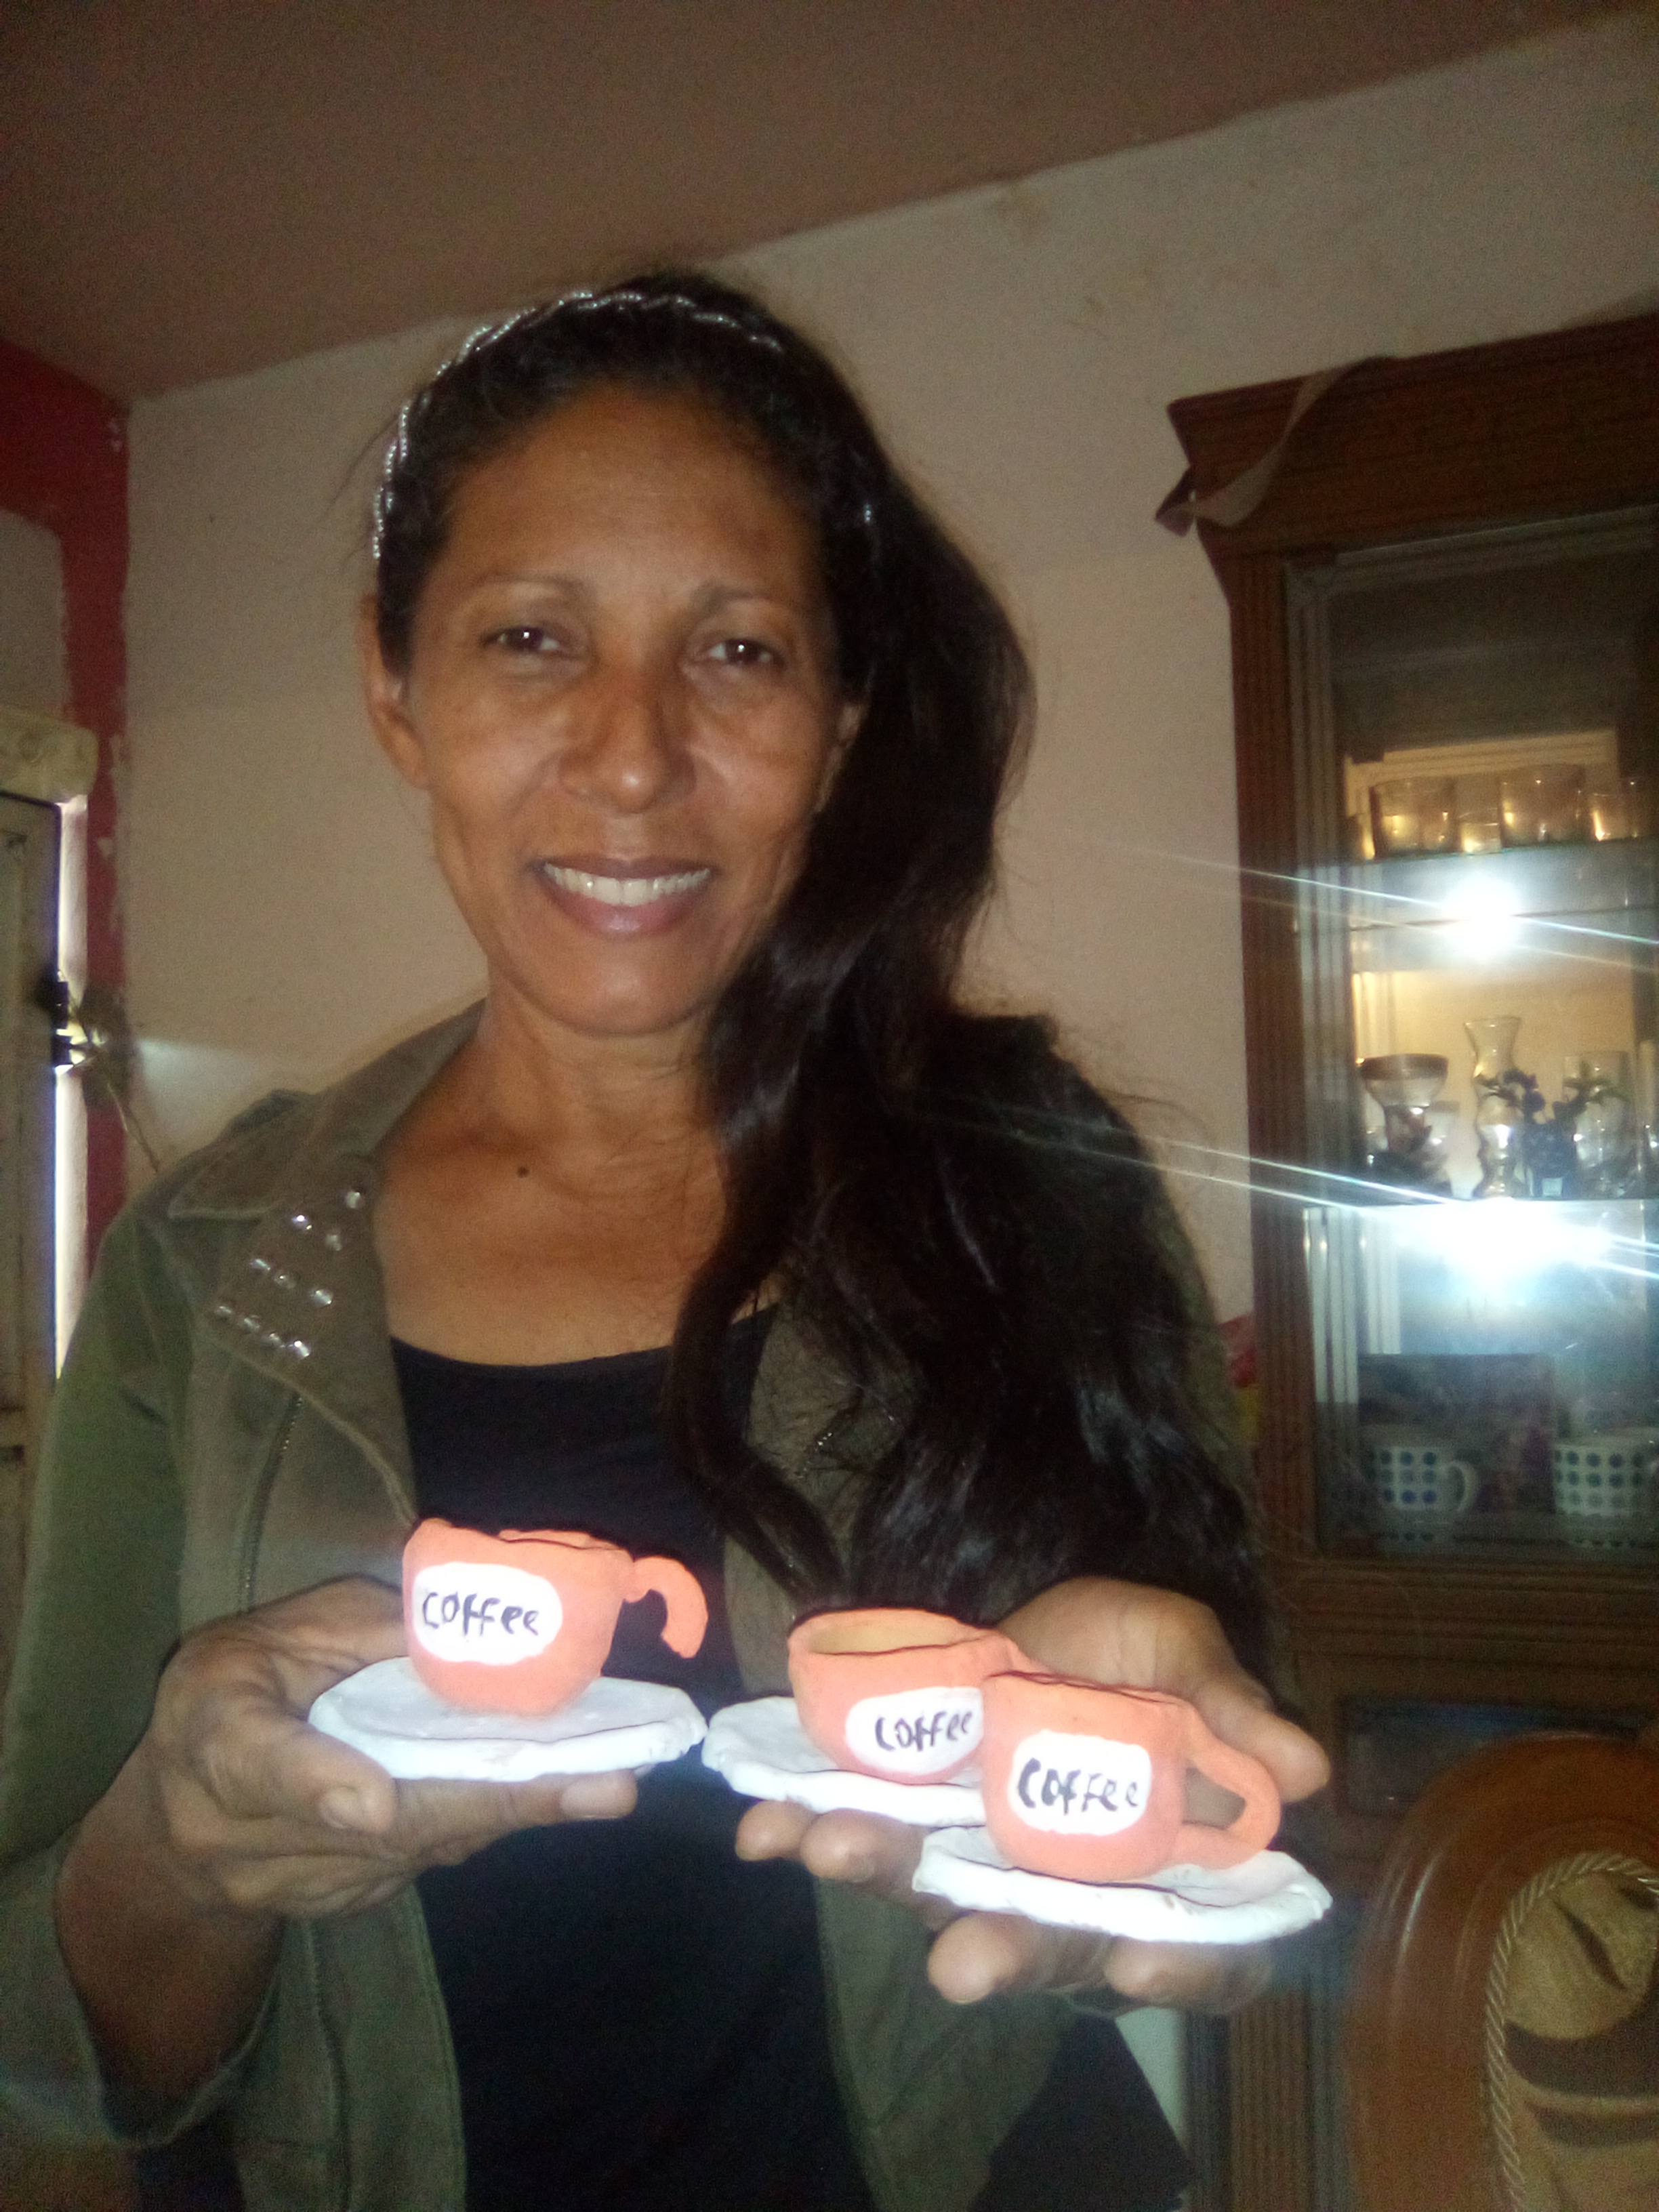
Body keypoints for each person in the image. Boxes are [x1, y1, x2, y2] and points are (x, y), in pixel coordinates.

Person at [0, 272, 1328, 2212]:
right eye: (531, 637)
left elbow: (1234, 1808)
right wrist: (187, 1849)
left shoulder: (1031, 1188)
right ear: (397, 690)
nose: (631, 757)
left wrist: (1166, 1815)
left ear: (840, 722)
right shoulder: (201, 1272)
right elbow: (62, 2050)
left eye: (739, 652)